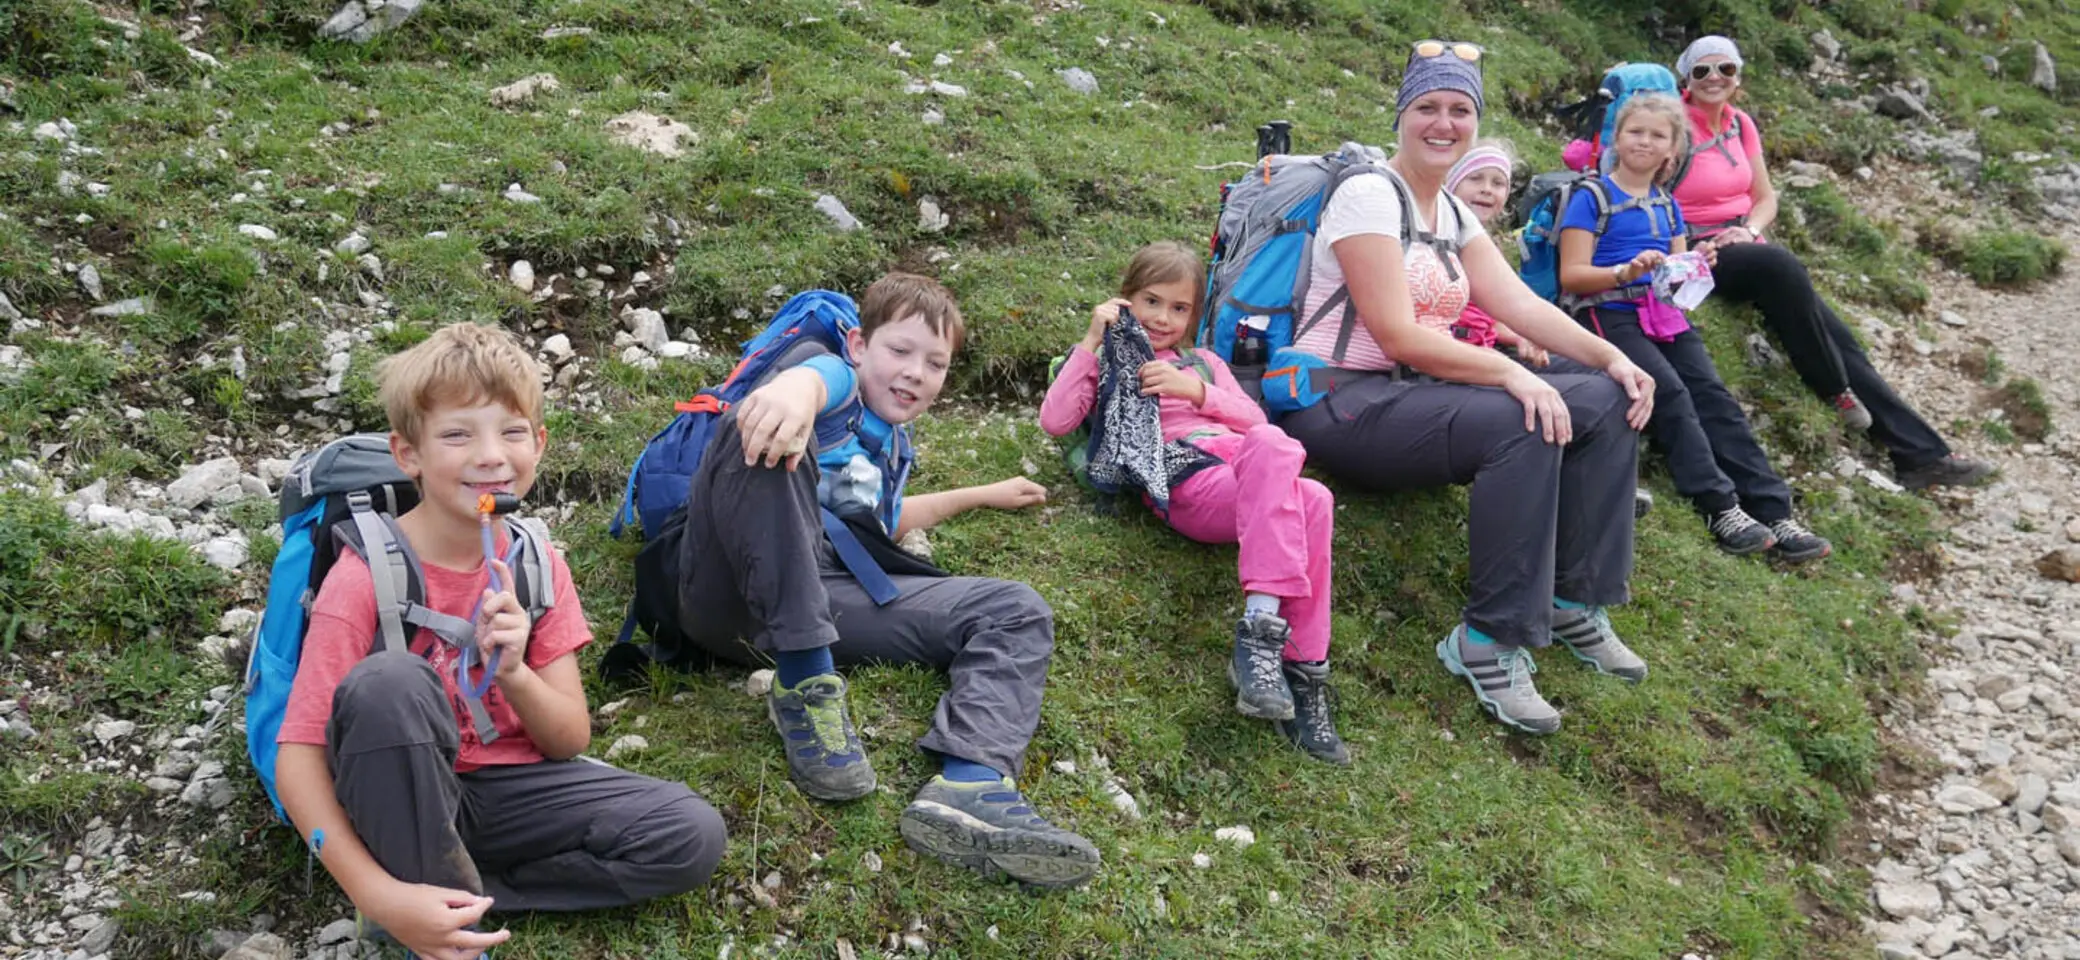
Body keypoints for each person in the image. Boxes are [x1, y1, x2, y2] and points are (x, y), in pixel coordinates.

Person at [275, 324, 726, 960]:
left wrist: (514, 672)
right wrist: (373, 893)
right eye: (457, 435)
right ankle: (410, 905)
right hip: (398, 792)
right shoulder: (364, 574)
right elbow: (297, 758)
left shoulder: (539, 563)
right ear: (408, 453)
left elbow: (568, 739)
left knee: (690, 833)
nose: (491, 456)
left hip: (508, 795)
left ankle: (453, 895)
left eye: (511, 432)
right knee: (391, 682)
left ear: (538, 443)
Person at [661, 272, 1100, 889]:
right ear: (860, 346)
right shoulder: (827, 382)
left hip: (821, 593)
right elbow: (814, 380)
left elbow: (882, 525)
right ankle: (806, 683)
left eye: (935, 363)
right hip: (725, 590)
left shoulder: (891, 444)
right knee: (768, 433)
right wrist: (794, 390)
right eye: (899, 350)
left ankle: (970, 787)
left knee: (1015, 609)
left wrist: (983, 493)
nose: (916, 373)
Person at [1274, 41, 1660, 736]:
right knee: (1522, 416)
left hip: (1415, 393)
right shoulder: (1368, 196)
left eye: (1460, 110)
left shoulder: (1451, 213)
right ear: (1401, 115)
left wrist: (1612, 358)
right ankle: (1487, 639)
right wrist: (1512, 372)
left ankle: (1574, 599)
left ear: (1476, 122)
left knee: (1606, 399)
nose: (1444, 123)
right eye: (1428, 106)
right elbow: (1396, 335)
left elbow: (1521, 305)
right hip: (1341, 398)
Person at [1040, 242, 1347, 765]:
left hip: (1243, 466)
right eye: (1151, 301)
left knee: (1312, 490)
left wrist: (1196, 391)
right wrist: (1091, 341)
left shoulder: (1203, 363)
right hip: (1186, 475)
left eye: (1179, 308)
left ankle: (1301, 670)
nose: (1163, 318)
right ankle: (1261, 630)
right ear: (1125, 298)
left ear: (1194, 315)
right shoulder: (1105, 361)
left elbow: (1255, 421)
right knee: (1299, 481)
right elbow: (1055, 419)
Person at [1671, 35, 1994, 491]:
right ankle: (1832, 388)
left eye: (1725, 69)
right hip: (1696, 248)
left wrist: (1750, 230)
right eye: (1701, 70)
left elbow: (1765, 197)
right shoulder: (1673, 124)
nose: (1714, 78)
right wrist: (1688, 245)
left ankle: (1920, 455)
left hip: (1744, 241)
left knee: (1837, 336)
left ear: (1738, 76)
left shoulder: (1740, 124)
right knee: (1783, 269)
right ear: (1685, 78)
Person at [1557, 93, 1833, 562]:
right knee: (1670, 393)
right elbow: (1572, 276)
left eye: (1657, 135)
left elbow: (1677, 276)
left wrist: (1696, 262)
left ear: (1673, 150)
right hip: (1606, 311)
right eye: (1635, 131)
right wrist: (1625, 272)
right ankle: (1719, 506)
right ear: (1616, 139)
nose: (1644, 141)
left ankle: (1774, 510)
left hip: (1662, 313)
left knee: (1714, 396)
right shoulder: (1591, 197)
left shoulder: (1668, 205)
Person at [1448, 141, 1662, 521]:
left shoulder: (1488, 244)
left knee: (1602, 377)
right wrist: (1512, 337)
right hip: (1464, 355)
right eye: (1475, 179)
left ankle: (1604, 482)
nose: (1487, 189)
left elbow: (1494, 310)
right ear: (1450, 184)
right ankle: (1584, 486)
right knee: (1576, 394)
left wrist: (1519, 334)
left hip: (1493, 345)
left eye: (1498, 183)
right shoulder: (1441, 238)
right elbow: (1454, 312)